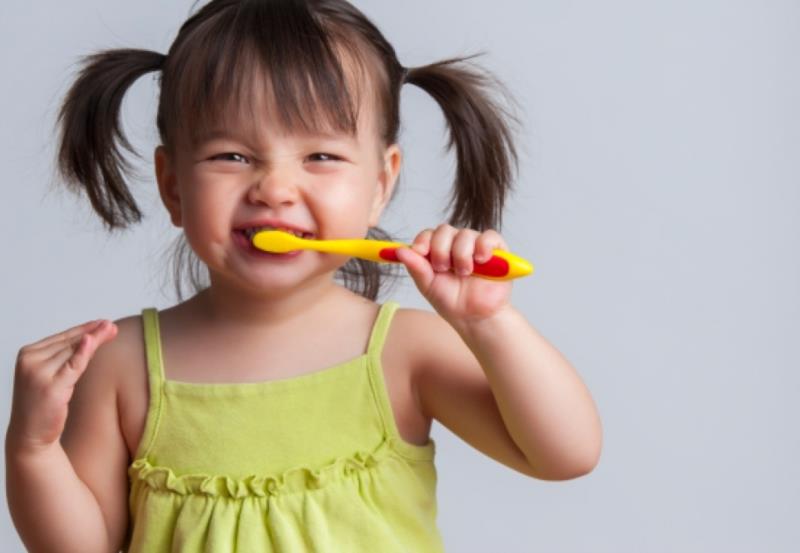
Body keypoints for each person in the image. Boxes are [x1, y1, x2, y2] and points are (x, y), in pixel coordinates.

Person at [5, 1, 603, 551]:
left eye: (320, 156)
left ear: (380, 184)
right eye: (230, 156)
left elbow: (565, 454)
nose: (274, 189)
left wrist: (490, 323)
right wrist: (32, 448)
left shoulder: (403, 352)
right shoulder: (121, 365)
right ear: (172, 186)